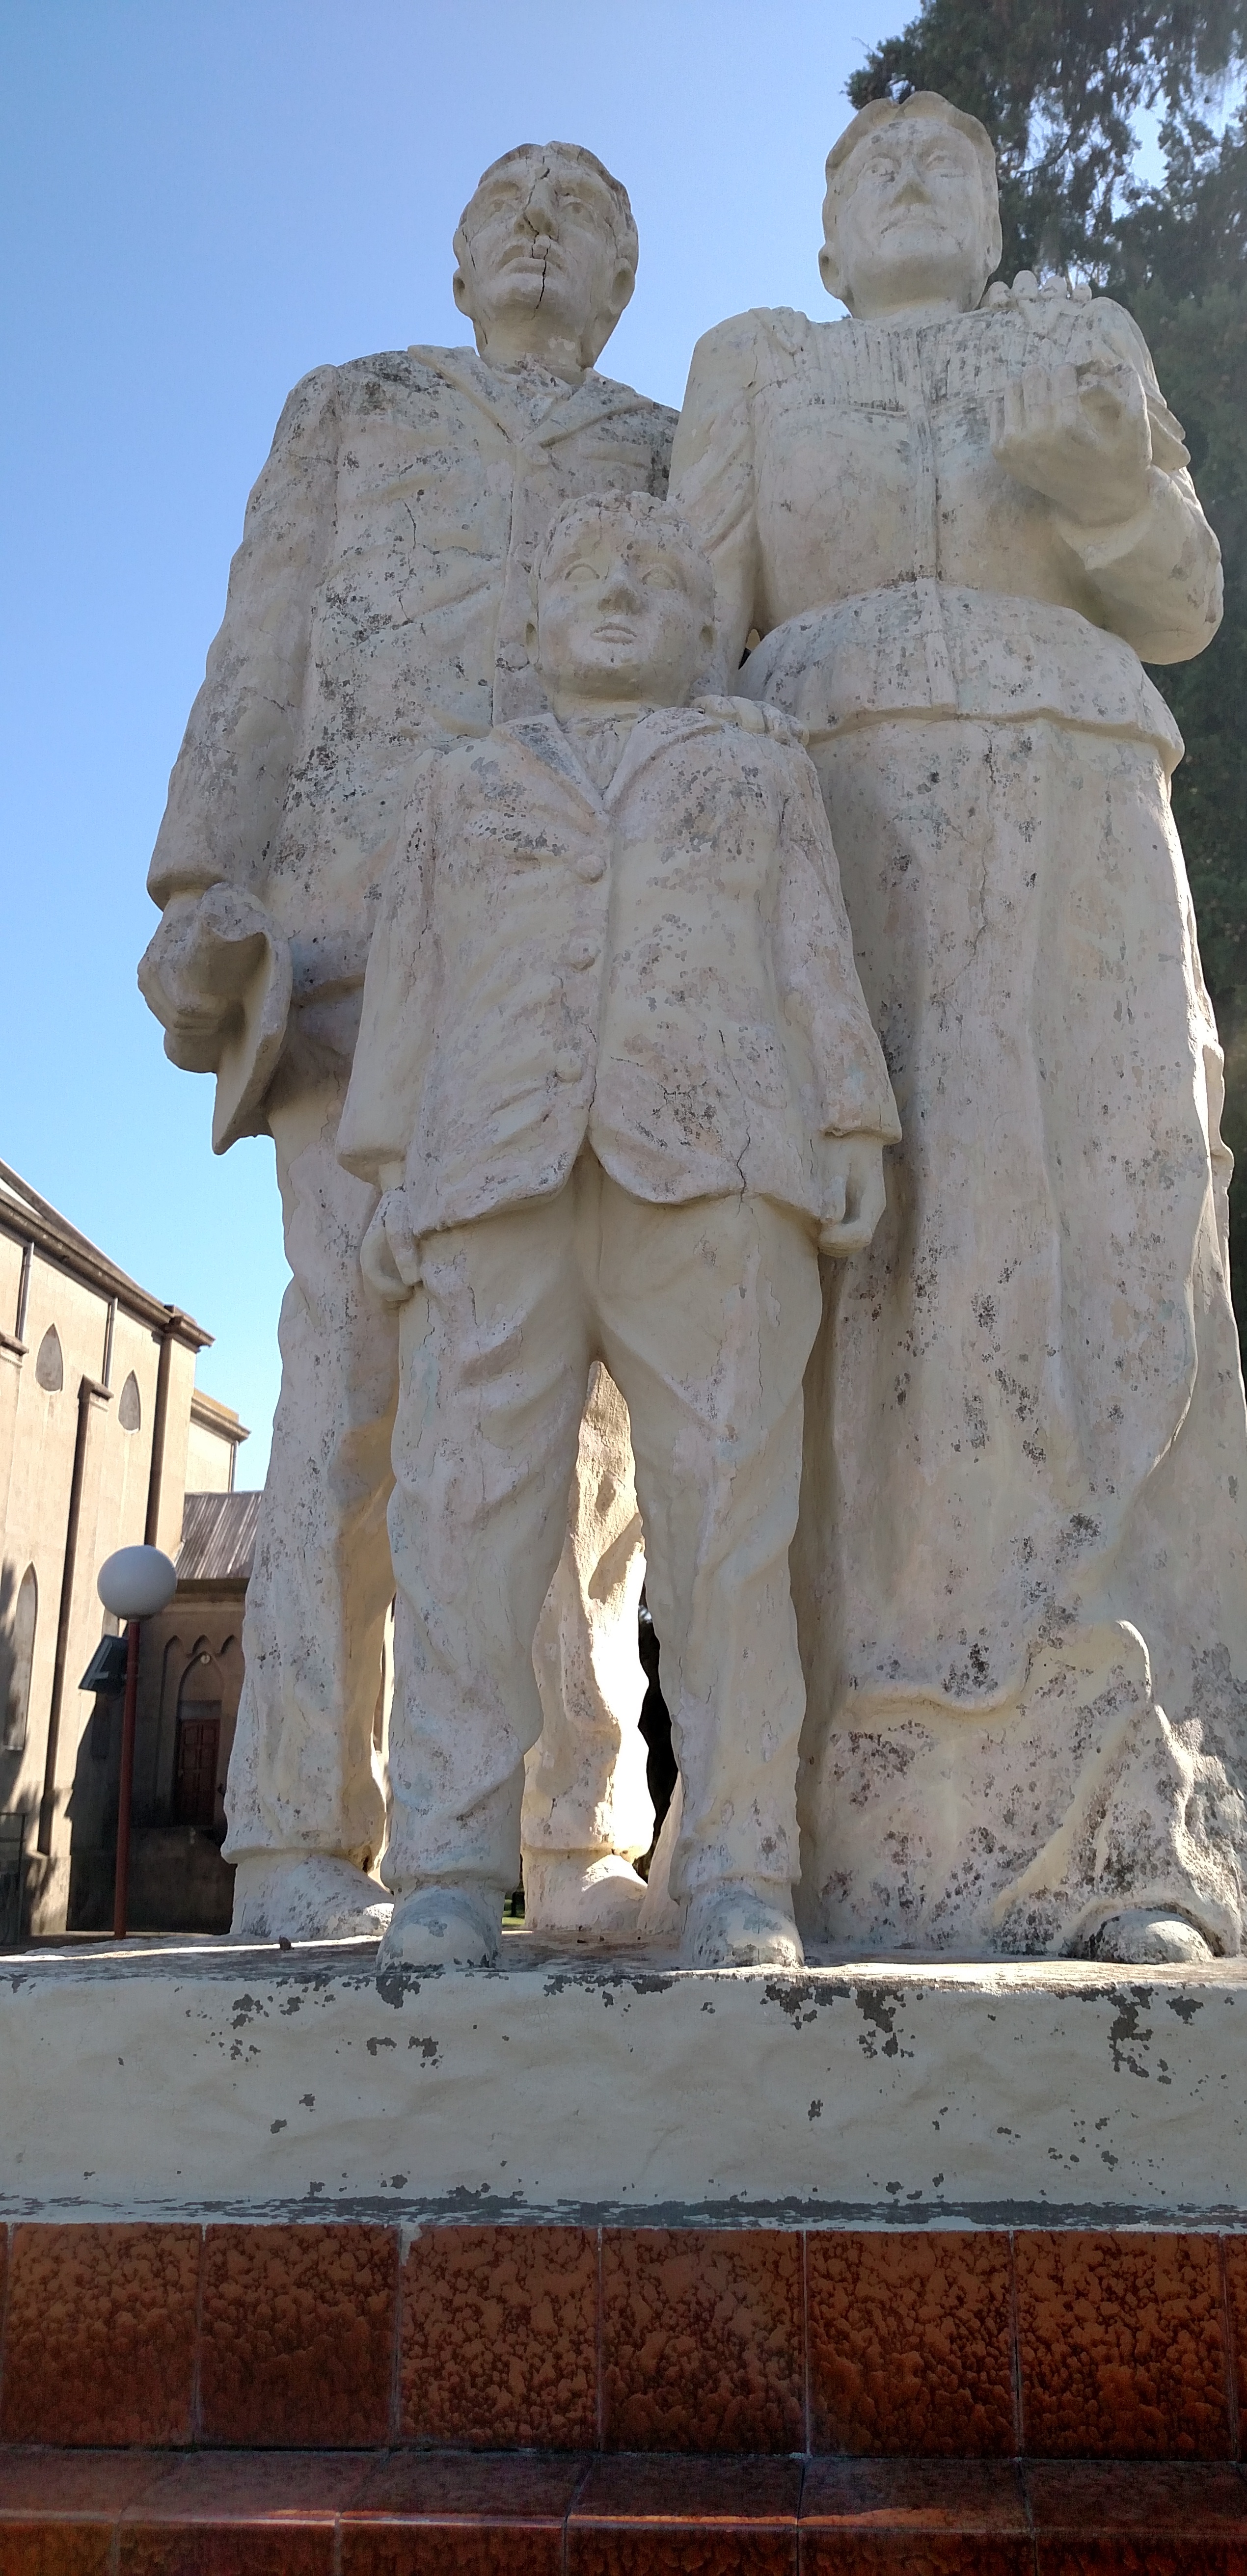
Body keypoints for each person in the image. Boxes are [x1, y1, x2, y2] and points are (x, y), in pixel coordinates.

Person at [670, 92, 1247, 1964]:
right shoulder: (761, 368)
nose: (911, 175)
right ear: (819, 234)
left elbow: (1183, 596)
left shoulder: (1080, 339)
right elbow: (679, 629)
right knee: (880, 1287)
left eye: (949, 161)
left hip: (1087, 828)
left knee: (1114, 1250)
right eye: (870, 163)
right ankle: (808, 1834)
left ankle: (1137, 1833)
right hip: (832, 835)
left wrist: (1110, 482)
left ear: (995, 209)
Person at [138, 143, 675, 1942]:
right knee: (354, 1385)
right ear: (456, 261)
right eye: (508, 204)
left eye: (583, 213)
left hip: (585, 960)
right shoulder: (351, 407)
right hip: (353, 938)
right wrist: (203, 885)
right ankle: (301, 1830)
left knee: (581, 1414)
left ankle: (574, 1834)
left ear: (622, 280)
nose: (539, 225)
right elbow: (262, 642)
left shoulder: (668, 453)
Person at [335, 491, 900, 1970]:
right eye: (586, 572)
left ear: (703, 628)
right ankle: (450, 1865)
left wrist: (850, 1119)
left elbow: (809, 944)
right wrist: (391, 1163)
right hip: (486, 1173)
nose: (621, 594)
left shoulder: (755, 767)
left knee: (727, 1527)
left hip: (717, 1163)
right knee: (461, 1520)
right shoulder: (460, 785)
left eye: (656, 577)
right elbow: (413, 982)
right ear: (529, 620)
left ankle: (739, 1866)